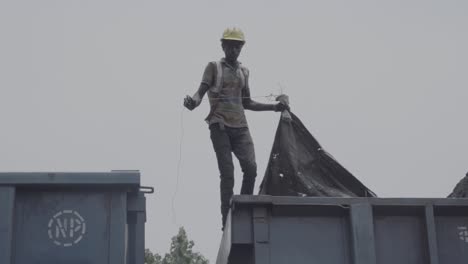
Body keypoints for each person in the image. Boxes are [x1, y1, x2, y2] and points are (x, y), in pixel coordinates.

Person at [183, 28, 289, 228]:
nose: (233, 49)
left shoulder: (244, 72)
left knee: (251, 168)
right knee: (228, 173)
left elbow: (247, 103)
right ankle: (227, 220)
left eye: (237, 46)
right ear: (223, 46)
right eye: (230, 45)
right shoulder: (214, 67)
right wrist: (192, 102)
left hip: (240, 127)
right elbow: (199, 94)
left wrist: (274, 107)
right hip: (219, 125)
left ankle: (244, 209)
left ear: (242, 48)